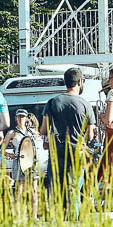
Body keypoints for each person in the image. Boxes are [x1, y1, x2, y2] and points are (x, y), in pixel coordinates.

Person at [42, 67, 93, 209]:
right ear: (80, 82)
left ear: (65, 82)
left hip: (56, 151)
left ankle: (55, 224)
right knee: (74, 190)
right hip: (77, 152)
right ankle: (74, 224)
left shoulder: (52, 102)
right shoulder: (85, 105)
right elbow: (90, 135)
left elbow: (43, 130)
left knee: (55, 190)